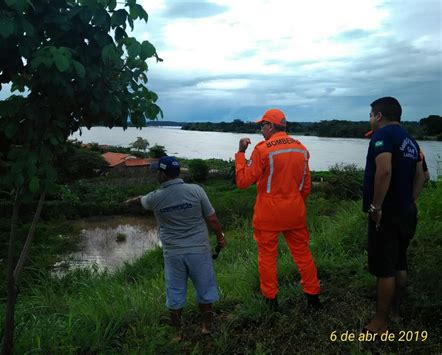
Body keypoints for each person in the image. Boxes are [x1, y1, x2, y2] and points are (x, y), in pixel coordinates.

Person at [124, 156, 225, 341]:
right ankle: (206, 328)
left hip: (173, 254)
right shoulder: (196, 190)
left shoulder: (155, 197)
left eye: (157, 172)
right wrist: (220, 237)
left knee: (175, 293)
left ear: (162, 174)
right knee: (205, 290)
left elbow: (140, 201)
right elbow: (212, 219)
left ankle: (178, 334)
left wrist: (127, 202)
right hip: (199, 251)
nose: (156, 175)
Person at [235, 108, 321, 310]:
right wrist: (295, 203)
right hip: (295, 212)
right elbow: (306, 185)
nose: (260, 130)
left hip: (268, 215)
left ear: (271, 126)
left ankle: (271, 300)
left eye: (261, 125)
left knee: (267, 258)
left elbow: (242, 181)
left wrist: (240, 153)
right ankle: (313, 297)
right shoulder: (301, 149)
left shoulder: (262, 149)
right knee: (303, 255)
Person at [362, 97, 426, 333]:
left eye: (371, 114)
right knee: (399, 262)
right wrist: (408, 201)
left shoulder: (382, 136)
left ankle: (380, 322)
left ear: (379, 116)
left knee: (384, 268)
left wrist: (376, 207)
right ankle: (396, 312)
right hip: (406, 212)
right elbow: (423, 176)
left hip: (386, 214)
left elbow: (384, 170)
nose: (370, 118)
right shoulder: (411, 141)